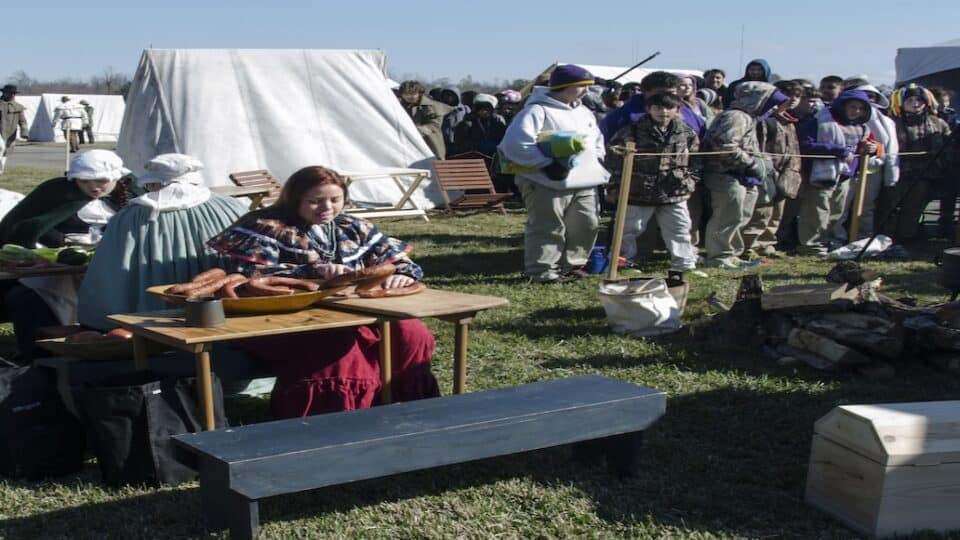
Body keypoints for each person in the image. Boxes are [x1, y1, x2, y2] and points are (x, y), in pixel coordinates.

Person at [206, 165, 440, 417]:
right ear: (295, 199)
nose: (326, 207)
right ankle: (337, 418)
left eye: (334, 199)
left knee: (411, 332)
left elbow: (395, 259)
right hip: (282, 318)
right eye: (315, 201)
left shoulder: (352, 226)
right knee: (339, 348)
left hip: (353, 310)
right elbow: (250, 276)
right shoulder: (264, 226)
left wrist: (401, 273)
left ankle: (407, 406)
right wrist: (313, 271)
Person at [77, 153, 248, 330]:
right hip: (228, 311)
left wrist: (98, 315)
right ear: (195, 180)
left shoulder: (129, 218)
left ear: (151, 183)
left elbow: (109, 272)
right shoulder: (231, 207)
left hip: (154, 319)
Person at [0, 150, 134, 361]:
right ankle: (38, 353)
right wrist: (62, 240)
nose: (94, 187)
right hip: (56, 270)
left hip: (112, 270)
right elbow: (26, 225)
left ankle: (112, 347)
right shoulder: (57, 193)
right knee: (27, 300)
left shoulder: (130, 194)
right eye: (85, 181)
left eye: (101, 181)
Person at [498, 64, 610, 283]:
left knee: (586, 223)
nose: (586, 92)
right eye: (581, 87)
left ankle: (574, 264)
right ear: (563, 87)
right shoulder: (536, 110)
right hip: (544, 181)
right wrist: (546, 164)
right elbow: (515, 145)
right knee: (548, 225)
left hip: (584, 180)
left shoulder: (583, 111)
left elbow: (596, 140)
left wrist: (594, 161)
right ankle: (543, 270)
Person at [606, 93, 699, 271]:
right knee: (629, 229)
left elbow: (696, 159)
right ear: (648, 109)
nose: (663, 112)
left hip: (674, 190)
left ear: (677, 110)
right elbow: (614, 159)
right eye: (658, 108)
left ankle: (684, 263)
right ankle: (623, 262)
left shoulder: (686, 132)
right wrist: (614, 186)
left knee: (679, 228)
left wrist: (691, 179)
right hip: (638, 190)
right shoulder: (631, 130)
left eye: (668, 108)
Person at [702, 82, 786, 268]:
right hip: (726, 174)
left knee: (740, 216)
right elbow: (725, 146)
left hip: (743, 176)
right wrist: (752, 163)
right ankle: (718, 256)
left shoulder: (750, 118)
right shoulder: (736, 117)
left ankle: (731, 253)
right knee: (726, 216)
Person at [796, 89, 877, 255]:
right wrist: (838, 150)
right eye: (853, 107)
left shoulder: (862, 128)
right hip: (820, 174)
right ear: (843, 105)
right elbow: (805, 145)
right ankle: (812, 245)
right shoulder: (819, 121)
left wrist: (871, 148)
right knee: (817, 211)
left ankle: (832, 240)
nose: (857, 111)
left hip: (846, 176)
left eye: (861, 109)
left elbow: (864, 147)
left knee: (838, 212)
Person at [878, 84, 952, 242]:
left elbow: (948, 147)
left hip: (925, 175)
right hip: (897, 174)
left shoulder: (938, 123)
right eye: (910, 100)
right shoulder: (891, 123)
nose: (915, 103)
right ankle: (886, 238)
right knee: (890, 207)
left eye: (919, 100)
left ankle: (907, 238)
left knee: (913, 208)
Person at [742, 80, 803, 258]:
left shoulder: (789, 121)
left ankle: (766, 243)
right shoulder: (764, 120)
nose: (791, 99)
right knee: (762, 210)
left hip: (786, 170)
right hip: (766, 169)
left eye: (797, 96)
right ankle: (749, 245)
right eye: (787, 95)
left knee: (777, 212)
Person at [452, 93, 507, 171]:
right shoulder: (467, 124)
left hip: (493, 161)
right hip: (471, 162)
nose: (484, 112)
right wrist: (477, 146)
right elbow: (459, 144)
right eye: (481, 109)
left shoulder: (498, 124)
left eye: (487, 109)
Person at [397, 81, 448, 158]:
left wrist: (415, 131)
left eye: (412, 94)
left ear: (419, 93)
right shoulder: (399, 106)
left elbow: (434, 125)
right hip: (408, 145)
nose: (409, 96)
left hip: (429, 144)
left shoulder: (429, 106)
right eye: (406, 94)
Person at [0, 84, 29, 174]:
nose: (12, 95)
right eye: (10, 93)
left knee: (5, 153)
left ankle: (0, 171)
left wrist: (24, 132)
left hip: (10, 133)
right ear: (4, 93)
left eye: (13, 93)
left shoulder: (18, 107)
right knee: (1, 148)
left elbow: (23, 121)